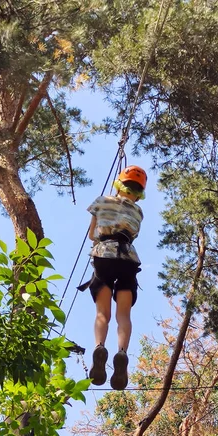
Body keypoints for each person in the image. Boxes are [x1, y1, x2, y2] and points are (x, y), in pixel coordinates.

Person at [79, 165, 147, 390]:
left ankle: (100, 347)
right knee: (124, 315)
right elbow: (133, 234)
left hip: (104, 255)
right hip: (128, 258)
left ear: (119, 183)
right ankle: (122, 352)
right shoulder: (138, 212)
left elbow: (92, 234)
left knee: (102, 313)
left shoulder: (101, 201)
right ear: (139, 192)